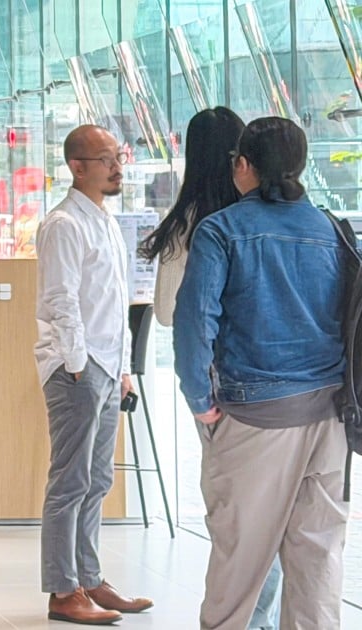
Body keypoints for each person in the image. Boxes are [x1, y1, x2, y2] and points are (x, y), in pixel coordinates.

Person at [174, 116, 349, 630]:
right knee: (318, 559)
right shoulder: (333, 230)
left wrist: (200, 400)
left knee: (240, 562)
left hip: (256, 416)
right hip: (330, 416)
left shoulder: (222, 230)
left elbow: (193, 323)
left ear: (244, 166)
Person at [140, 107, 282, 630]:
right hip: (278, 379)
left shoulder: (189, 223)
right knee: (277, 510)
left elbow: (167, 312)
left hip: (218, 386)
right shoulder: (264, 216)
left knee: (236, 512)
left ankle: (249, 619)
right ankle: (263, 618)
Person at [35, 124, 152, 625]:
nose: (118, 167)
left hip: (106, 368)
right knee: (70, 480)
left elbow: (113, 302)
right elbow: (60, 300)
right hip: (76, 370)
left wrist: (123, 369)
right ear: (77, 167)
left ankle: (89, 577)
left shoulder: (104, 219)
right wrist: (78, 364)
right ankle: (64, 591)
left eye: (118, 157)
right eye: (107, 159)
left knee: (99, 478)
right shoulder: (64, 223)